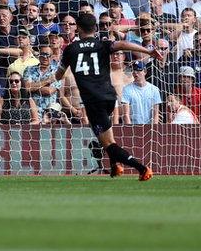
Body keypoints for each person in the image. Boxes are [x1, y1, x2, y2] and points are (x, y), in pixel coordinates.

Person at [53, 12, 161, 181]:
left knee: (108, 144)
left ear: (78, 28)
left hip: (92, 100)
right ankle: (115, 166)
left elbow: (58, 76)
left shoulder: (70, 49)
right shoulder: (102, 44)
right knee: (106, 136)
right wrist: (148, 50)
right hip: (110, 98)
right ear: (95, 28)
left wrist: (45, 82)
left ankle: (142, 168)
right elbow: (124, 43)